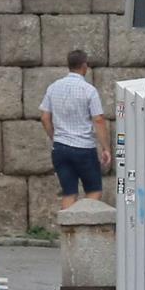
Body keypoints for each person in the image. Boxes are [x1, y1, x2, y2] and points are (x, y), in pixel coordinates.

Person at [39, 49, 111, 210]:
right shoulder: (89, 90)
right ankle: (85, 230)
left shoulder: (53, 87)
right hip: (84, 149)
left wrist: (55, 137)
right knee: (94, 191)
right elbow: (98, 120)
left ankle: (68, 233)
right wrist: (106, 148)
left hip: (60, 148)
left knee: (69, 192)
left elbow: (44, 117)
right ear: (84, 65)